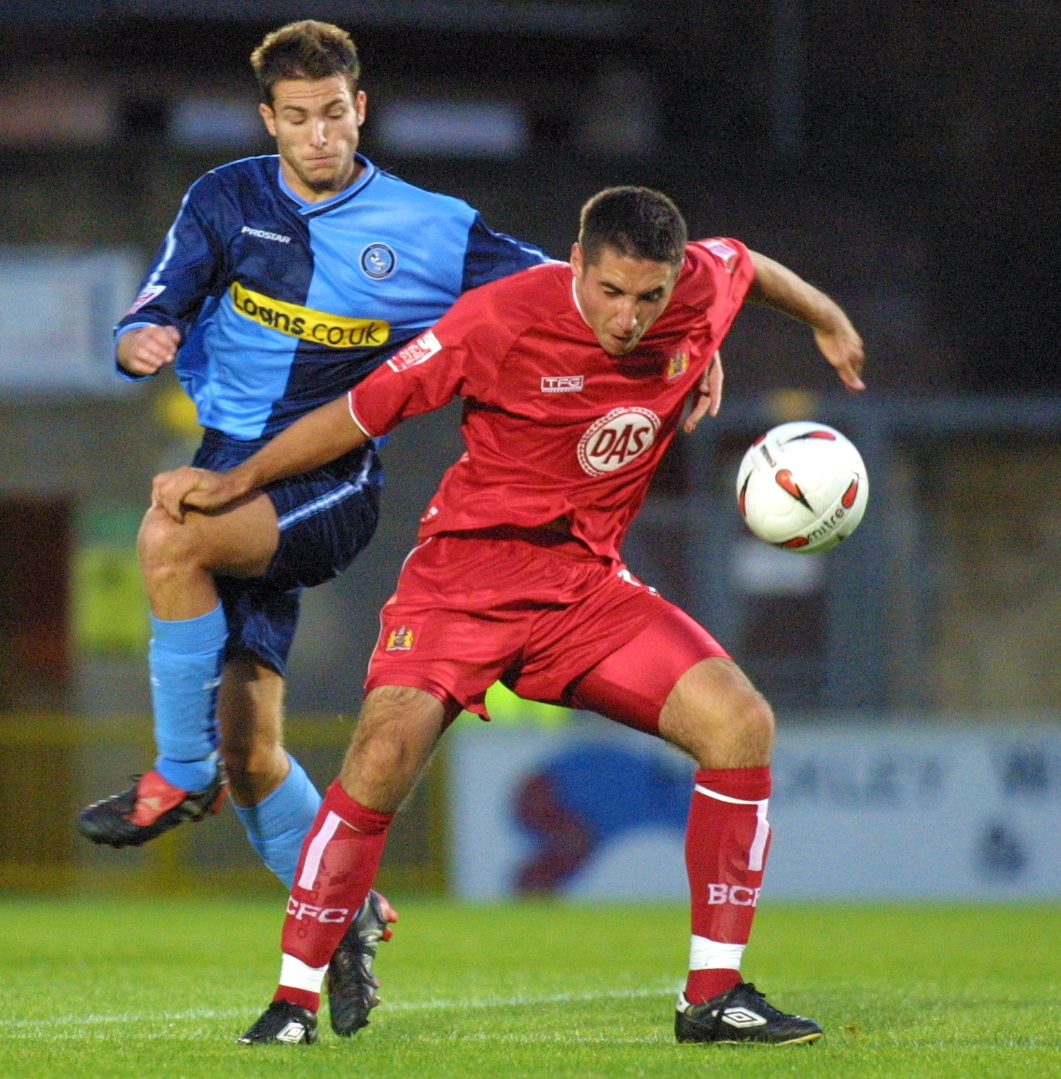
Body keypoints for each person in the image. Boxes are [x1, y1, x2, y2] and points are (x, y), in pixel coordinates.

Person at [151, 185, 865, 1046]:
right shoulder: (496, 320)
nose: (629, 316)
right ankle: (292, 1001)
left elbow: (745, 264)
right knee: (381, 756)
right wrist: (240, 480)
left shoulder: (699, 289)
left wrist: (825, 316)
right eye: (609, 292)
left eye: (649, 296)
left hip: (584, 589)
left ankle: (712, 995)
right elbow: (359, 409)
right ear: (574, 264)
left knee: (741, 723)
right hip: (463, 581)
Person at [74, 19, 553, 1038]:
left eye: (333, 112)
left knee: (169, 534)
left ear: (359, 106)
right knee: (256, 749)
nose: (318, 134)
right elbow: (151, 304)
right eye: (297, 118)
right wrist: (139, 338)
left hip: (329, 483)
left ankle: (177, 772)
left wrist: (677, 331)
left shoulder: (429, 226)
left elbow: (564, 290)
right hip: (229, 465)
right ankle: (343, 915)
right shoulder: (224, 199)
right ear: (269, 121)